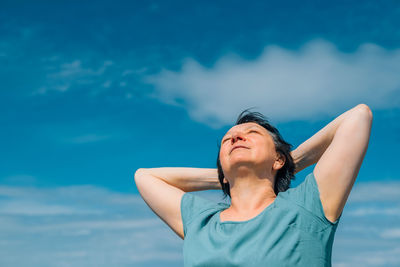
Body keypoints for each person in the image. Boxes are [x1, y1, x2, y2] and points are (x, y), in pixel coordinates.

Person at [134, 104, 373, 266]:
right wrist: (225, 175)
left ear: (278, 158)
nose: (237, 137)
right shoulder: (201, 222)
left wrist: (291, 162)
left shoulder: (308, 206)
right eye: (228, 139)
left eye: (252, 133)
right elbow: (145, 177)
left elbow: (359, 116)